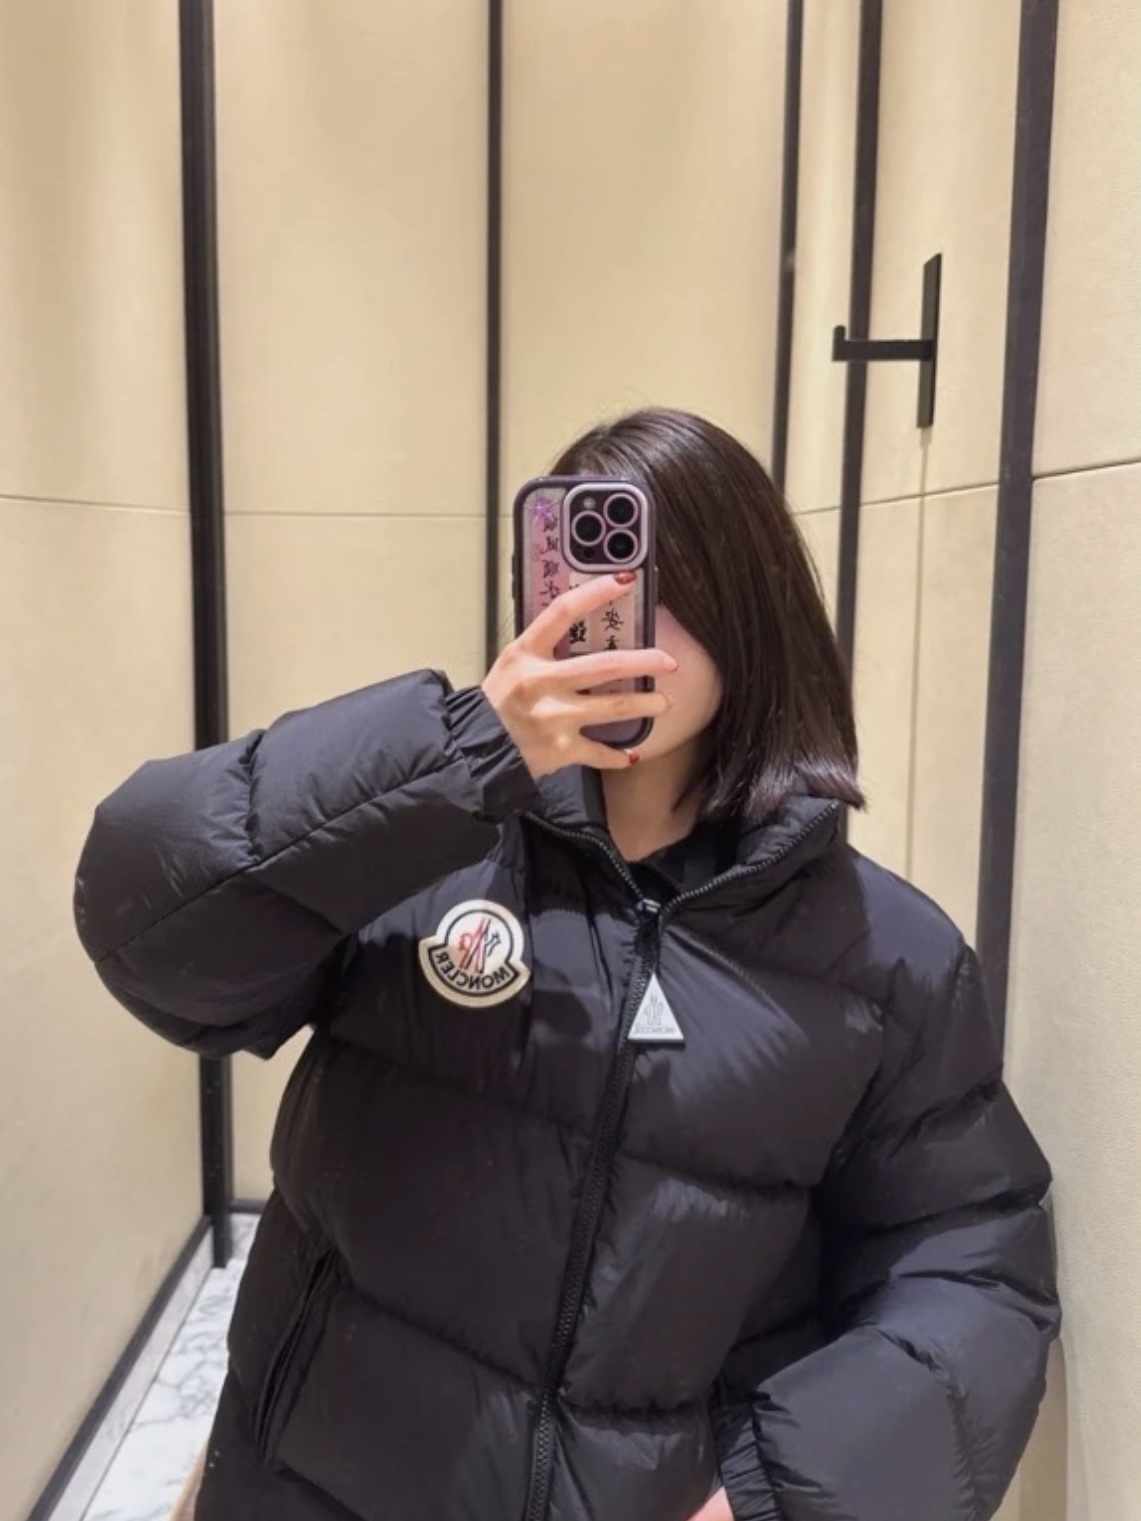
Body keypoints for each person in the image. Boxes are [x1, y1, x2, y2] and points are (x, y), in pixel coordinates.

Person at [75, 408, 1059, 1521]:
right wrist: (464, 749)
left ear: (749, 608)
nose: (608, 619)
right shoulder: (415, 849)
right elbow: (147, 917)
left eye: (652, 583)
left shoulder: (885, 956)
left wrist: (782, 1493)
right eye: (574, 578)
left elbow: (973, 1264)